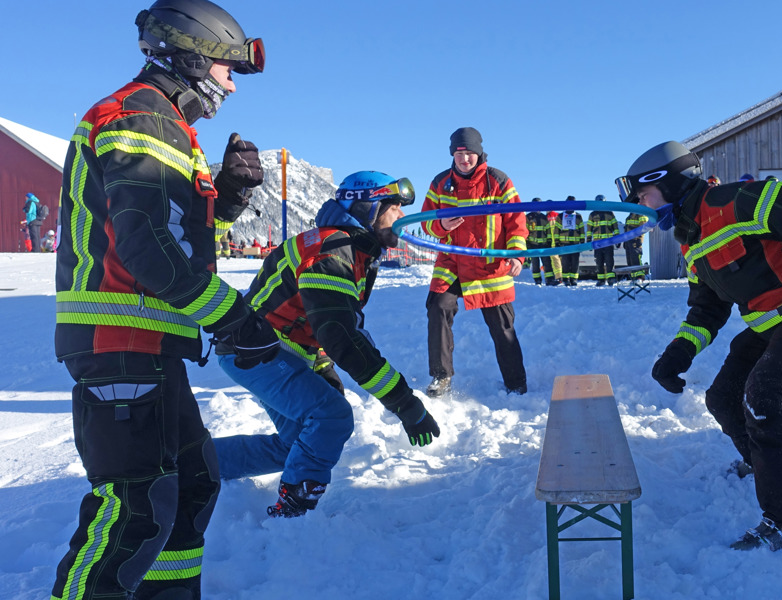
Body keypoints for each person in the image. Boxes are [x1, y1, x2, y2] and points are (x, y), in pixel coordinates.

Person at [51, 1, 279, 598]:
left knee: (191, 487)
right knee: (133, 509)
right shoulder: (141, 118)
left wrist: (227, 197)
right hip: (118, 342)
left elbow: (172, 237)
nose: (232, 85)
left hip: (148, 345)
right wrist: (235, 318)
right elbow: (147, 249)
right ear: (195, 59)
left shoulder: (165, 124)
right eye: (229, 69)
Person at [618, 141, 782, 551]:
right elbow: (707, 308)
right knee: (724, 397)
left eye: (644, 195)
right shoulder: (692, 240)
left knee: (765, 397)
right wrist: (678, 354)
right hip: (771, 324)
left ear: (669, 183)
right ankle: (767, 465)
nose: (642, 207)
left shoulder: (735, 201)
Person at [214, 171, 441, 517]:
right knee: (331, 417)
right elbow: (342, 338)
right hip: (256, 351)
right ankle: (295, 511)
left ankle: (194, 463)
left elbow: (322, 324)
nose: (401, 216)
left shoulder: (350, 250)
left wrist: (322, 366)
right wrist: (405, 403)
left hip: (267, 349)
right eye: (394, 207)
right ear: (367, 208)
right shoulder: (331, 252)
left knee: (295, 444)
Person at [421, 127, 528, 396]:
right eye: (458, 154)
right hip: (452, 263)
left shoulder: (498, 181)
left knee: (502, 326)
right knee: (438, 309)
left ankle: (516, 383)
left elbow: (516, 222)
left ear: (479, 153)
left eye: (469, 153)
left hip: (490, 265)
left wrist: (516, 253)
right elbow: (425, 222)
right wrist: (441, 225)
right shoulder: (440, 183)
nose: (464, 159)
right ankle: (441, 377)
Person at [587, 199, 619, 286]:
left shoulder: (610, 213)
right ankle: (601, 280)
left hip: (608, 242)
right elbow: (589, 229)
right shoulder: (592, 214)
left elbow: (615, 227)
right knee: (599, 261)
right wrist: (589, 240)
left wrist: (617, 239)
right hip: (597, 243)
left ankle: (611, 278)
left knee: (609, 261)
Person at [525, 197, 553, 285]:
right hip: (533, 245)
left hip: (544, 245)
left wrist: (549, 242)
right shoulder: (528, 217)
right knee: (535, 264)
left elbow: (548, 231)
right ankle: (537, 280)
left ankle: (549, 280)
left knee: (547, 263)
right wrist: (527, 244)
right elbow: (525, 231)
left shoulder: (544, 217)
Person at [558, 197, 585, 286]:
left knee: (575, 263)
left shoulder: (578, 216)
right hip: (564, 244)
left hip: (575, 244)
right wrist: (557, 242)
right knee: (565, 263)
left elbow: (581, 229)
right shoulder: (560, 216)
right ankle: (566, 279)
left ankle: (573, 279)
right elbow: (556, 230)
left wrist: (582, 241)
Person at [622, 212, 648, 281]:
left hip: (635, 240)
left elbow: (644, 226)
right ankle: (633, 278)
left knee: (636, 258)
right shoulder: (629, 216)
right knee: (630, 261)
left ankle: (639, 277)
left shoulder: (640, 213)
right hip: (628, 241)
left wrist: (639, 237)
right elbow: (627, 229)